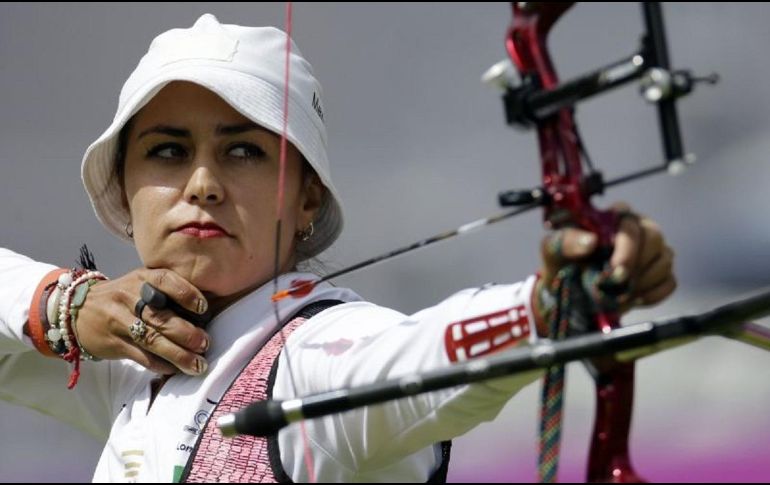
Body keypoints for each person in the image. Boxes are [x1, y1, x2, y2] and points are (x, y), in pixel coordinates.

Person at [0, 14, 675, 483]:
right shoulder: (127, 369)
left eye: (244, 151)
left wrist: (548, 304)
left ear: (307, 199)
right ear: (125, 188)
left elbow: (416, 355)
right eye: (168, 151)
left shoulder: (314, 356)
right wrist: (63, 305)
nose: (202, 184)